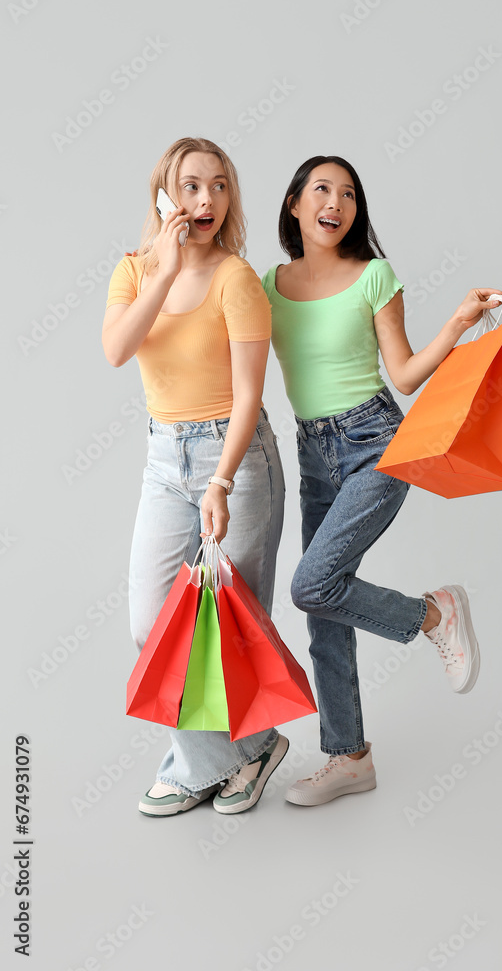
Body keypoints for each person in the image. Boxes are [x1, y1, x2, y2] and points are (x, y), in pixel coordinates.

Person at [262, 155, 502, 807]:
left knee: (311, 585)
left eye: (346, 193)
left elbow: (401, 374)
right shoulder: (266, 285)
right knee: (323, 611)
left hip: (375, 443)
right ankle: (350, 758)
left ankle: (432, 614)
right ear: (293, 204)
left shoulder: (373, 276)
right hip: (313, 455)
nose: (333, 201)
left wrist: (455, 323)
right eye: (320, 189)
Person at [103, 137, 288, 817]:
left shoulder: (237, 279)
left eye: (219, 186)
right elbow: (118, 350)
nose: (205, 200)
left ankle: (209, 763)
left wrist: (220, 483)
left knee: (229, 627)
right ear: (165, 194)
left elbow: (247, 397)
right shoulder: (132, 271)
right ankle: (244, 753)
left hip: (235, 462)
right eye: (190, 186)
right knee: (151, 624)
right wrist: (164, 268)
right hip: (163, 464)